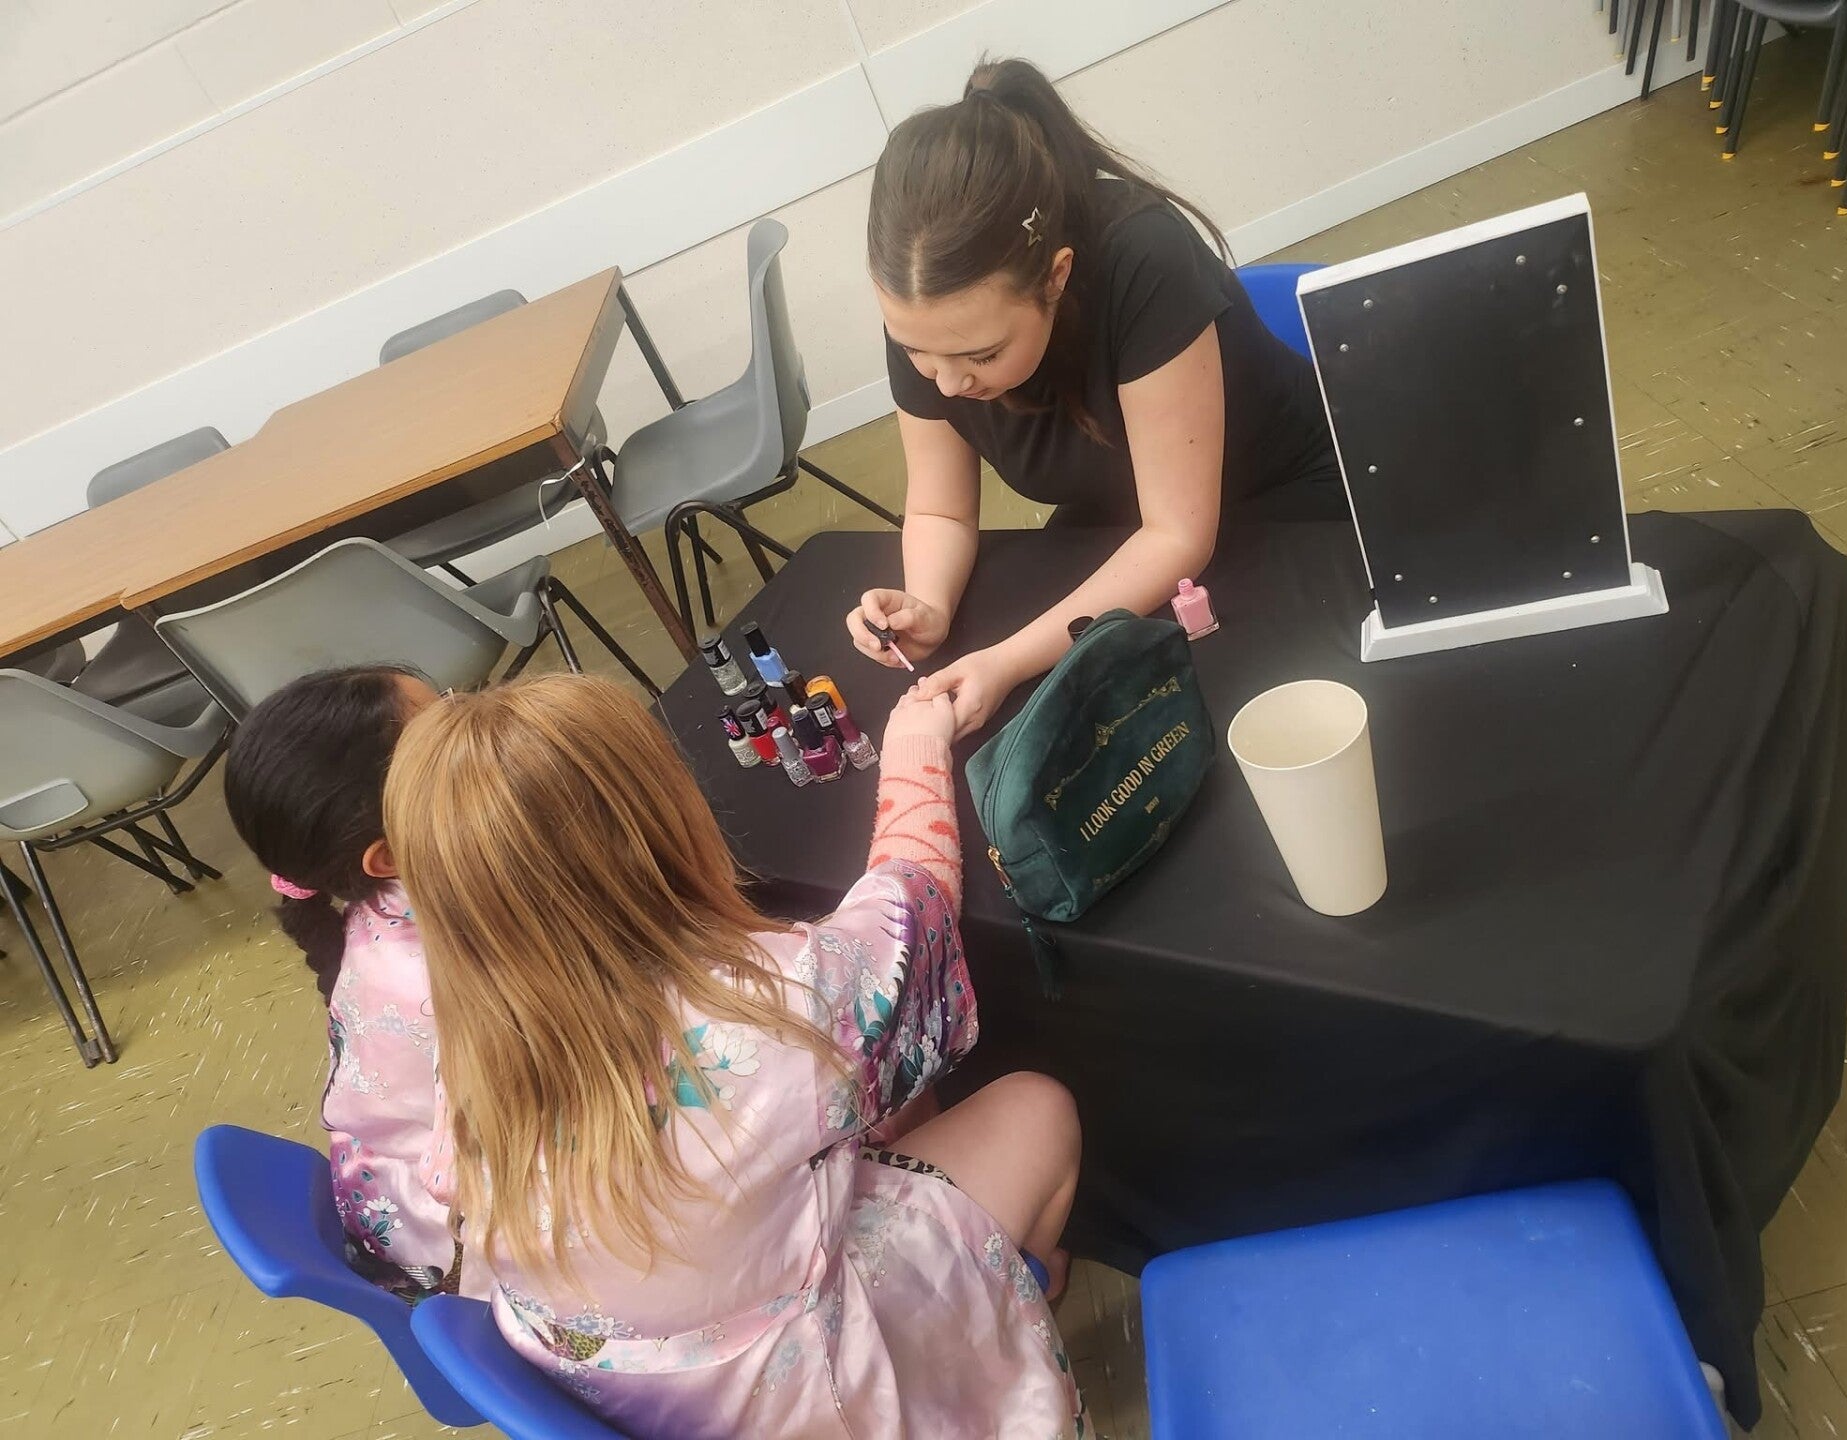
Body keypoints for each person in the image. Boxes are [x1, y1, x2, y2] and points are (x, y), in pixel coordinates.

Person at [385, 675, 1084, 1438]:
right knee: (1036, 1109)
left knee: (883, 1108)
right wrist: (917, 738)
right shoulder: (772, 1013)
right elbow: (913, 909)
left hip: (636, 1384)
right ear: (662, 818)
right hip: (809, 1398)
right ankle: (1013, 1301)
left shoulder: (470, 1035)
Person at [846, 57, 1342, 737]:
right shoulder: (929, 317)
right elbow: (940, 509)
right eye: (915, 352)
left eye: (981, 355)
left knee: (1230, 713)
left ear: (1057, 277)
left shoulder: (1143, 258)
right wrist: (926, 605)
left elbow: (1177, 536)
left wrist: (1006, 662)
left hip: (1284, 501)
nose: (948, 384)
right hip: (1129, 519)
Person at [223, 665, 472, 1301]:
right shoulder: (462, 971)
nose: (473, 717)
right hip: (455, 1243)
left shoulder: (390, 898)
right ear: (385, 854)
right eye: (444, 730)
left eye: (449, 701)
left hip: (401, 1184)